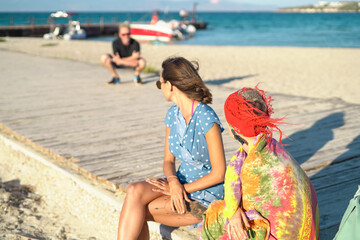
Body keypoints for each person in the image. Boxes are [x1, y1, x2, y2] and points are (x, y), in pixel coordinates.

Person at [117, 57, 226, 239]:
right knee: (133, 191)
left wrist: (182, 189)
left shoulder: (207, 118)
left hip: (205, 195)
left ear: (171, 85)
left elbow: (219, 173)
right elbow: (168, 161)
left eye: (160, 84)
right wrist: (173, 182)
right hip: (180, 182)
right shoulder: (172, 115)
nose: (160, 88)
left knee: (138, 210)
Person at [201, 86, 319, 240]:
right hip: (306, 230)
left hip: (280, 234)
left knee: (213, 218)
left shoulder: (254, 167)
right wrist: (234, 210)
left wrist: (233, 212)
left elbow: (256, 220)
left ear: (234, 129)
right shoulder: (272, 147)